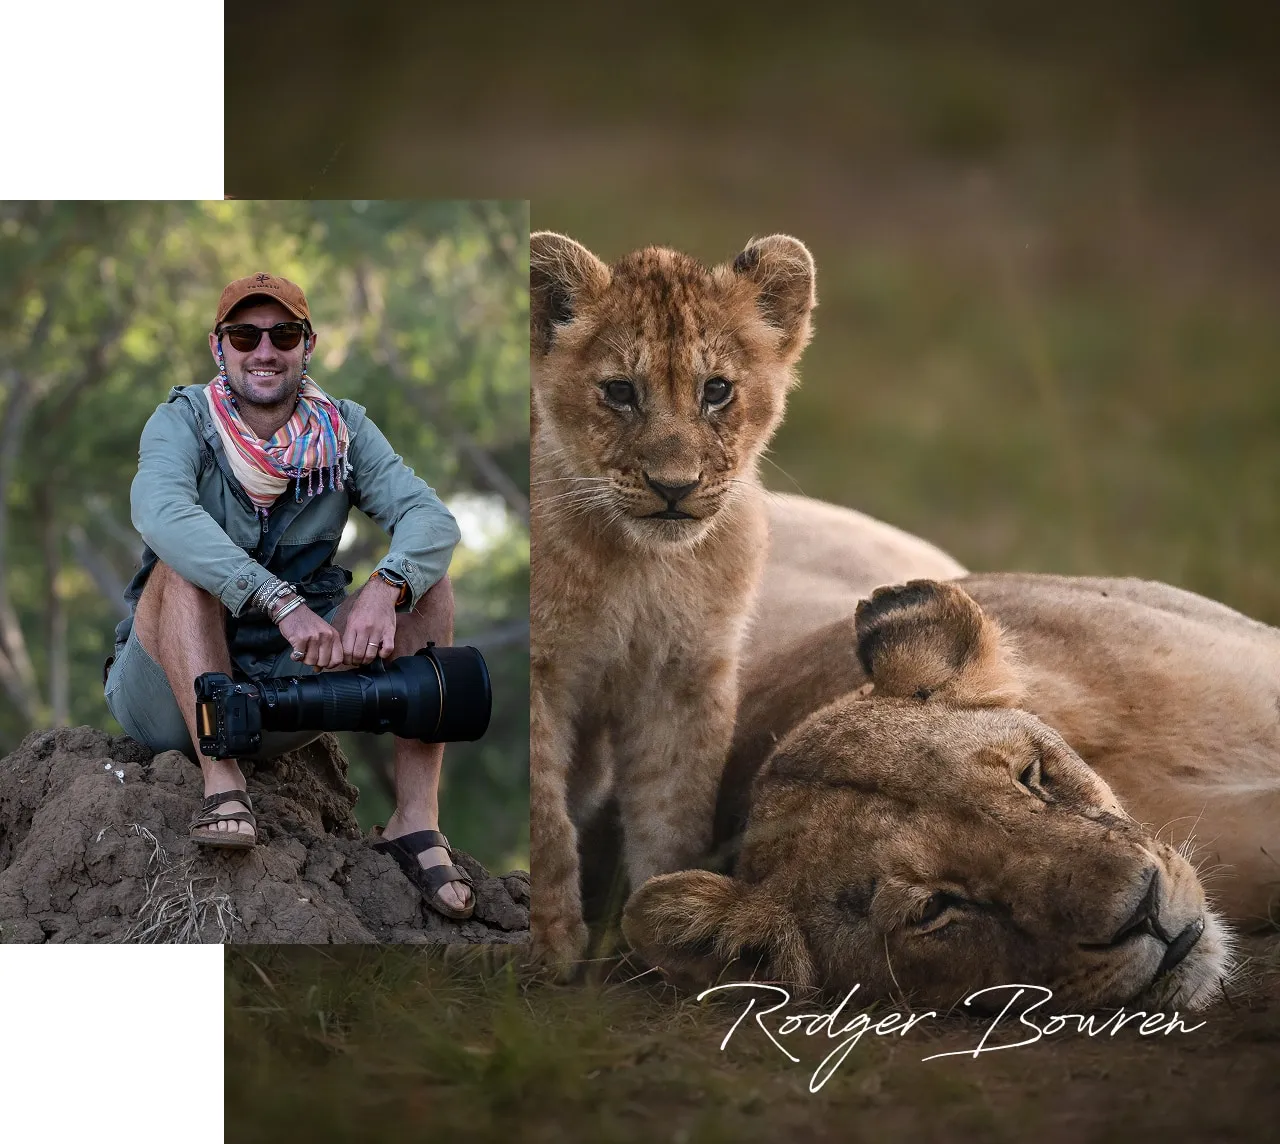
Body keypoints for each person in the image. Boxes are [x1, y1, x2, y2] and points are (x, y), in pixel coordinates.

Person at [103, 272, 474, 919]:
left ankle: (417, 820)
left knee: (426, 579)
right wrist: (276, 598)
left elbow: (431, 519)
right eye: (246, 334)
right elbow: (159, 512)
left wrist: (386, 587)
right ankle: (223, 784)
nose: (265, 349)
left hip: (292, 683)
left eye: (284, 333)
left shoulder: (346, 429)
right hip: (168, 696)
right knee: (182, 564)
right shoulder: (181, 420)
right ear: (221, 348)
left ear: (308, 345)